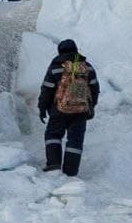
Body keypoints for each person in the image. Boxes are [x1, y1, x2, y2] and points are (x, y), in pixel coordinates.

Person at [37, 38, 100, 176]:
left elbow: (47, 89)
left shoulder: (56, 67)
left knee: (53, 134)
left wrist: (42, 108)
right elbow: (94, 88)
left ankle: (53, 165)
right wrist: (90, 107)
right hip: (81, 110)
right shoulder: (87, 67)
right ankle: (71, 172)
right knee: (76, 139)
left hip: (58, 109)